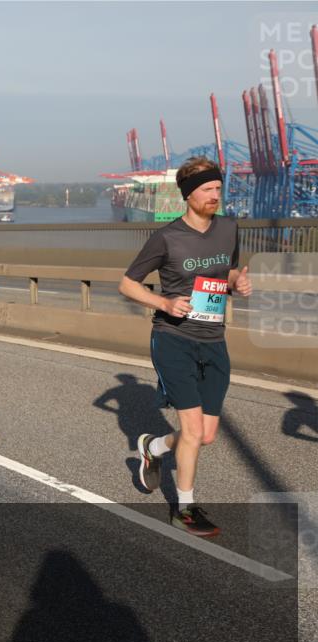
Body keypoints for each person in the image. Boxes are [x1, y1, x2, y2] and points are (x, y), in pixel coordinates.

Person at [119, 157, 251, 538]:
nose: (215, 195)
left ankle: (154, 448)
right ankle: (185, 509)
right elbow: (128, 283)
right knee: (192, 431)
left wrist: (237, 282)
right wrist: (164, 303)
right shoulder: (167, 237)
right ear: (188, 194)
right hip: (173, 339)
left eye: (218, 188)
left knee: (205, 435)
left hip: (214, 341)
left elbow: (225, 271)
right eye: (207, 189)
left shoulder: (228, 228)